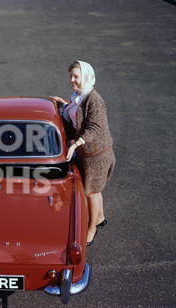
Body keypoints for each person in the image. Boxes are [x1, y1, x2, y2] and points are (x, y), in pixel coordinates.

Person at [50, 60, 115, 247]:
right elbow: (76, 114)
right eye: (70, 76)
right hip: (88, 152)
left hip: (97, 155)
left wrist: (75, 144)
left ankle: (91, 229)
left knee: (91, 192)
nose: (72, 80)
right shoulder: (79, 96)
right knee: (94, 188)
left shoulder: (94, 100)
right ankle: (100, 218)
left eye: (76, 76)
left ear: (86, 77)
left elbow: (95, 127)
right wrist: (63, 104)